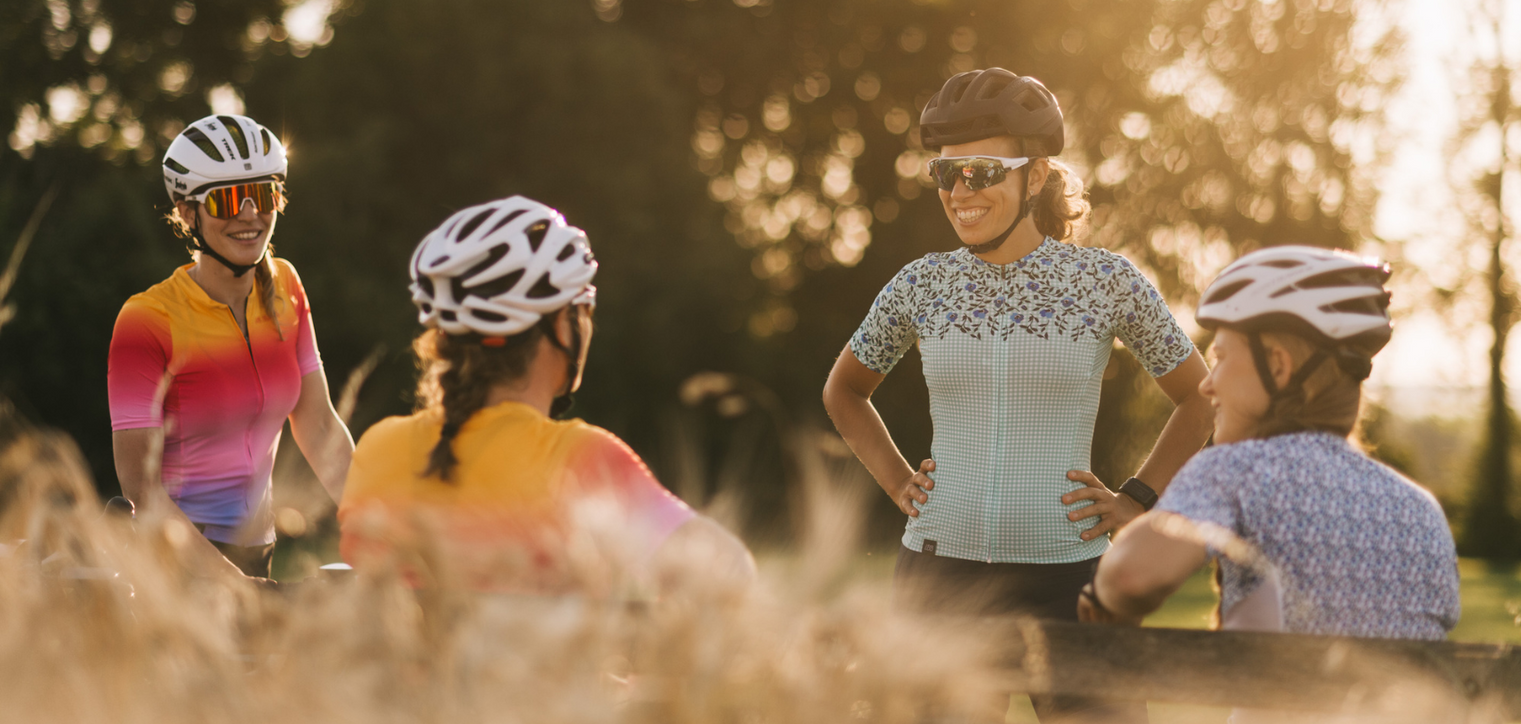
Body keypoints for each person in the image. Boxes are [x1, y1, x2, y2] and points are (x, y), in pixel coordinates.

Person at [823, 68, 1213, 717]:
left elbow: (1201, 395)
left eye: (980, 172)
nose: (959, 192)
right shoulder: (922, 284)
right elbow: (845, 390)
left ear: (1035, 176)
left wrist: (1137, 498)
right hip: (938, 579)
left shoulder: (1104, 281)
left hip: (1072, 577)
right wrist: (898, 483)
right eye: (945, 175)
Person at [337, 196, 753, 595]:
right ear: (561, 323)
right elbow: (729, 575)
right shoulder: (583, 461)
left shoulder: (376, 449)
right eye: (585, 306)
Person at [1078, 246, 1460, 644]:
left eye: (1222, 358)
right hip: (1408, 708)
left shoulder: (1237, 470)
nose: (1207, 383)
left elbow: (1130, 576)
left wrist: (1103, 597)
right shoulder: (1422, 512)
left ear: (1278, 366)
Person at [109, 114, 354, 583]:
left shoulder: (286, 285)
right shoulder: (147, 320)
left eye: (263, 195)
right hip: (178, 564)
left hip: (260, 554)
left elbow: (320, 425)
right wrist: (230, 584)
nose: (248, 214)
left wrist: (390, 532)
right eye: (224, 199)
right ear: (186, 213)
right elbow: (139, 483)